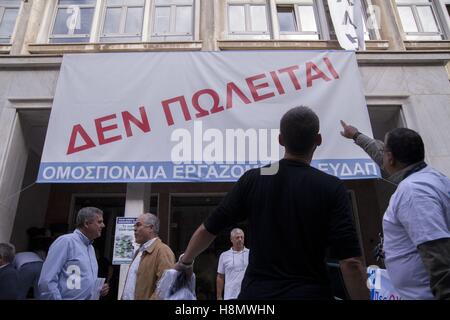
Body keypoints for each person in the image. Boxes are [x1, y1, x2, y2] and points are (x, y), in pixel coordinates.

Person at [175, 106, 369, 300]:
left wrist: (185, 262)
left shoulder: (256, 178)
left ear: (280, 139)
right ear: (318, 140)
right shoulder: (331, 186)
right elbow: (351, 262)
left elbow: (209, 228)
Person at [340, 121, 450, 299]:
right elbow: (383, 157)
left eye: (384, 151)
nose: (381, 154)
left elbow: (436, 252)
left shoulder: (414, 193)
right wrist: (356, 135)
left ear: (390, 158)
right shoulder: (427, 178)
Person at [38, 207, 109, 299]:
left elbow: (80, 280)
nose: (103, 225)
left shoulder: (90, 248)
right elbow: (46, 281)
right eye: (99, 222)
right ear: (86, 223)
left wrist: (98, 289)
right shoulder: (65, 242)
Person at [121, 213, 175, 300]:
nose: (134, 229)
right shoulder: (139, 252)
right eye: (134, 226)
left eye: (138, 225)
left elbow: (166, 287)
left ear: (151, 228)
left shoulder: (163, 251)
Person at [216, 228, 249, 300]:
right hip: (230, 295)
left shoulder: (250, 254)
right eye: (237, 237)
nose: (240, 239)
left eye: (242, 237)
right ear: (231, 239)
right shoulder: (224, 255)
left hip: (248, 294)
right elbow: (220, 277)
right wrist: (219, 297)